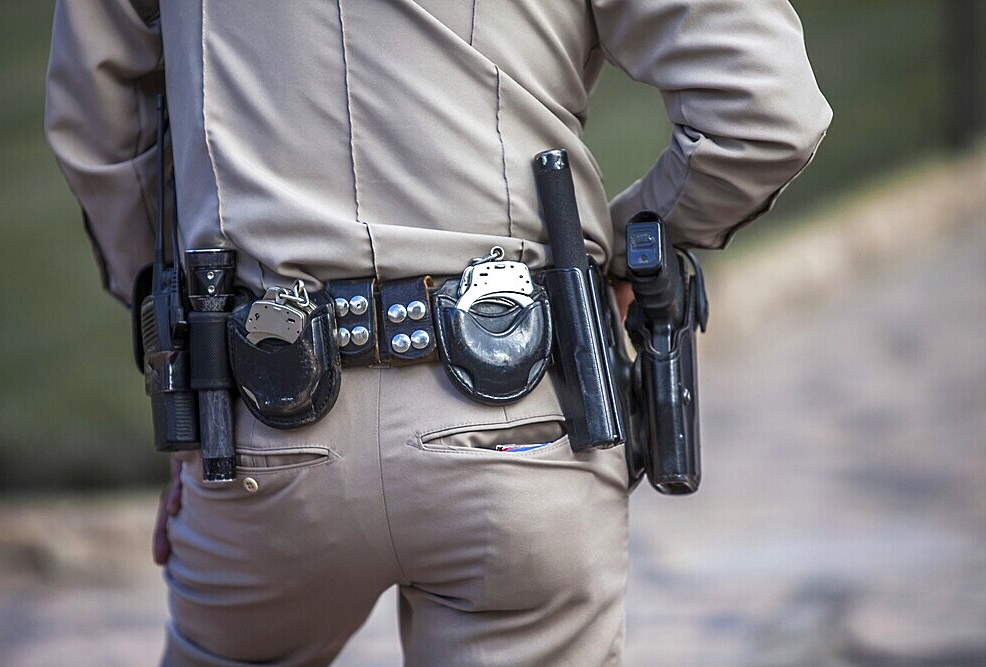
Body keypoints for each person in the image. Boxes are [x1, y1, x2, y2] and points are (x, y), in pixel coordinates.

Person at [45, 1, 831, 664]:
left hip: (258, 427)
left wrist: (188, 372)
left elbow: (102, 130)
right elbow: (765, 111)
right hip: (521, 414)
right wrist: (619, 255)